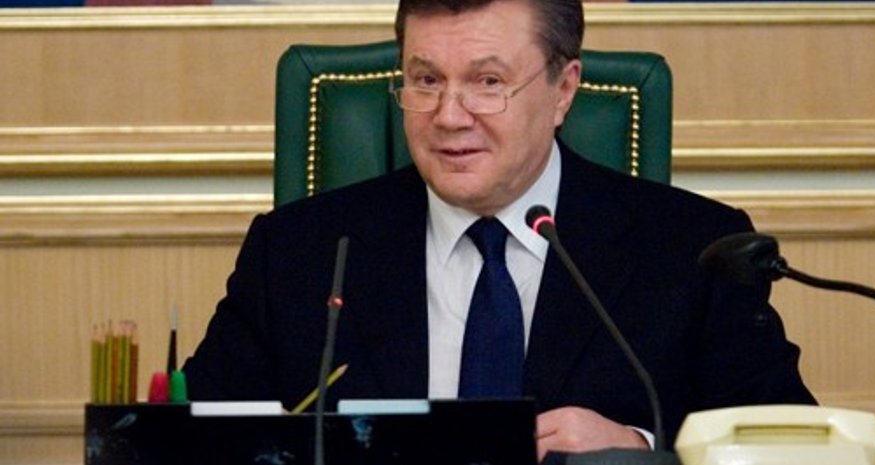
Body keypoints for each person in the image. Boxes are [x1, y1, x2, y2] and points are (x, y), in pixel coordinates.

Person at [183, 0, 815, 459]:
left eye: (488, 83)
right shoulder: (298, 253)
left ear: (564, 90)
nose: (448, 116)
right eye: (426, 80)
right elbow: (187, 444)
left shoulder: (694, 250)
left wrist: (643, 453)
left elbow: (787, 447)